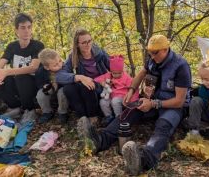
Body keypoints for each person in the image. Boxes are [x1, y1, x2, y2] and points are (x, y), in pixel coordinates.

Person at [77, 34, 192, 175]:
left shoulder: (181, 66)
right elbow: (141, 74)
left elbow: (179, 101)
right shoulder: (152, 59)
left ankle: (143, 160)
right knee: (130, 110)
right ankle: (99, 140)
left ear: (165, 49)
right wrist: (131, 91)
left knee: (163, 126)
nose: (152, 56)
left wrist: (154, 104)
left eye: (155, 53)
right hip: (151, 100)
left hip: (173, 106)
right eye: (150, 53)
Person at [0, 13, 44, 123]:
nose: (26, 31)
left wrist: (6, 71)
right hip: (17, 85)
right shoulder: (12, 46)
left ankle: (30, 110)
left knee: (20, 77)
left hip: (33, 83)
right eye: (23, 28)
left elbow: (33, 68)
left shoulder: (38, 45)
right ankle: (15, 107)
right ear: (16, 30)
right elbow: (1, 63)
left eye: (29, 27)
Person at [56, 28, 110, 124]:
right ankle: (82, 117)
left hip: (100, 85)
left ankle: (93, 116)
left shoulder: (99, 53)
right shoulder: (73, 56)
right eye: (84, 42)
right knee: (68, 88)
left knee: (86, 86)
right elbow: (60, 75)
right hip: (84, 85)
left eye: (89, 41)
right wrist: (80, 77)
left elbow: (114, 68)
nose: (88, 44)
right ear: (77, 44)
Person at [94, 55, 139, 125]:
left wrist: (132, 102)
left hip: (122, 97)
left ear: (122, 71)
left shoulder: (126, 78)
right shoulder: (109, 75)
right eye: (114, 73)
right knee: (103, 102)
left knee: (115, 101)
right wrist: (102, 82)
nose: (117, 75)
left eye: (119, 73)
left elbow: (134, 88)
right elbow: (97, 79)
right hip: (110, 95)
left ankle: (119, 118)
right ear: (111, 71)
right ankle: (108, 117)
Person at [36, 48, 68, 124]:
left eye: (60, 61)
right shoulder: (41, 72)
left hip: (61, 88)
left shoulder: (65, 67)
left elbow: (69, 79)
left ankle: (62, 112)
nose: (59, 65)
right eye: (55, 65)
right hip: (50, 89)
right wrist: (44, 86)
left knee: (62, 93)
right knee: (40, 94)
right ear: (46, 67)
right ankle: (47, 112)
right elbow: (38, 83)